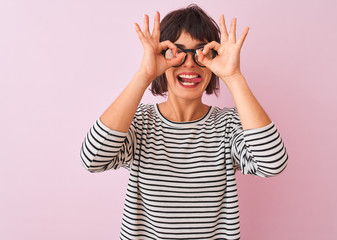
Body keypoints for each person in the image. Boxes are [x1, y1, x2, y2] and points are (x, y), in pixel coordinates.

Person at [80, 4, 288, 240]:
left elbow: (273, 163)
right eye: (176, 51)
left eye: (201, 52)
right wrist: (144, 75)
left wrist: (233, 77)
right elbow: (92, 159)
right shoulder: (138, 122)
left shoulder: (228, 126)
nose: (189, 63)